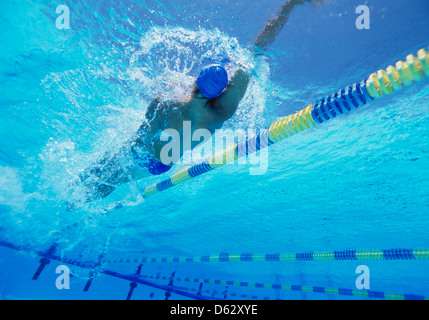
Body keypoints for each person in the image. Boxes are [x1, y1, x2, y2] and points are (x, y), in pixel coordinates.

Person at [74, 0, 325, 204]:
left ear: (195, 84)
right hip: (161, 164)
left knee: (116, 162)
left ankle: (78, 189)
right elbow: (257, 48)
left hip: (145, 154)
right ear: (222, 91)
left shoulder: (166, 103)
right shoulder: (222, 113)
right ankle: (81, 197)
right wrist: (289, 6)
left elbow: (140, 137)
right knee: (117, 174)